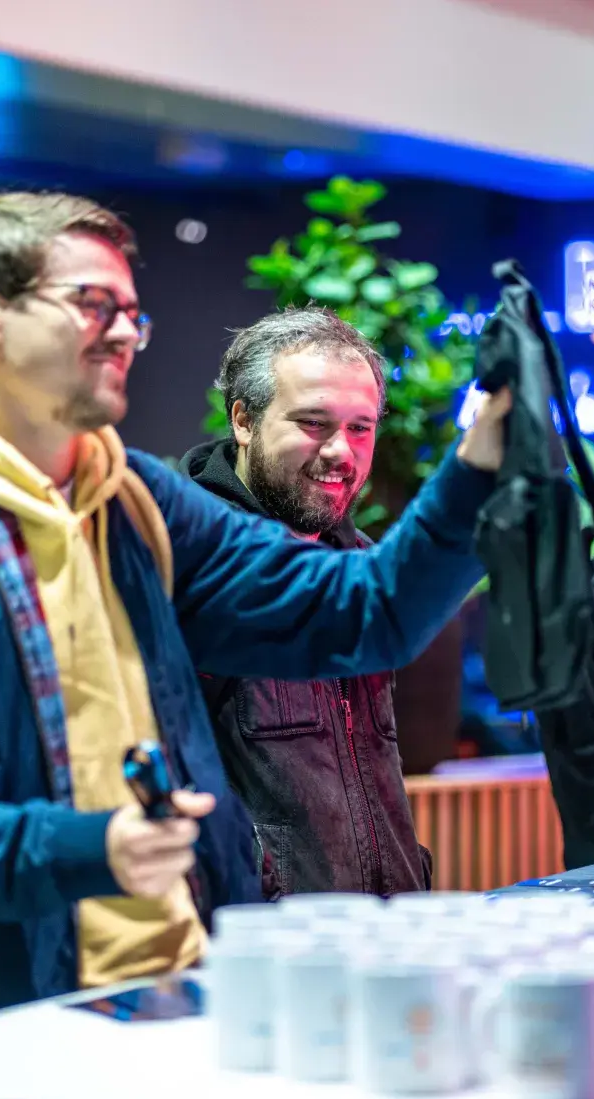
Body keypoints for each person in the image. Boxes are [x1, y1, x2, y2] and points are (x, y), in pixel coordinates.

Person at [0, 192, 509, 1032]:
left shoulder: (135, 504)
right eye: (92, 303)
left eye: (133, 312)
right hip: (8, 1019)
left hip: (182, 990)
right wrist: (87, 848)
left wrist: (484, 457)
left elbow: (362, 614)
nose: (123, 332)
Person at [182, 308, 432, 898]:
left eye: (362, 427)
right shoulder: (187, 561)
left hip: (383, 934)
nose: (342, 452)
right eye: (315, 423)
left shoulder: (366, 566)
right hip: (259, 953)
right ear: (243, 420)